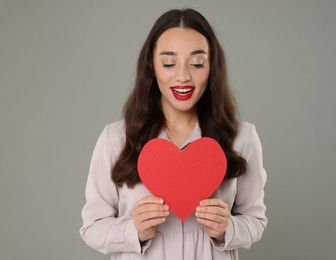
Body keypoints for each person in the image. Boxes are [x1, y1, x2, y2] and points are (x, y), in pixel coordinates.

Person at [80, 8, 267, 260]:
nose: (183, 76)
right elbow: (91, 227)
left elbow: (256, 220)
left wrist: (228, 229)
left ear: (212, 67)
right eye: (168, 63)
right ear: (152, 67)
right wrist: (133, 230)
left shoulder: (242, 137)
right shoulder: (116, 138)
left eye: (197, 63)